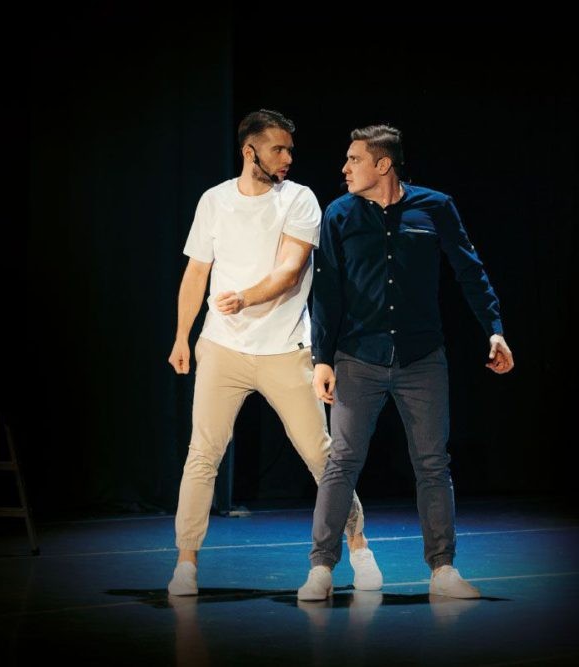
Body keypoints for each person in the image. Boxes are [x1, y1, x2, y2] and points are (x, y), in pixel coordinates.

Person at [166, 109, 382, 597]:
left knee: (322, 456)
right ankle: (185, 563)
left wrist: (244, 298)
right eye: (277, 149)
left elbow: (289, 271)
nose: (287, 157)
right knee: (202, 454)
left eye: (289, 149)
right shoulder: (214, 200)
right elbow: (196, 273)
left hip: (285, 349)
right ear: (250, 151)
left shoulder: (299, 199)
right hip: (222, 347)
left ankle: (360, 547)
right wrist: (182, 336)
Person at [299, 124, 514, 601]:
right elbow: (327, 290)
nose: (345, 168)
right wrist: (322, 358)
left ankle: (443, 570)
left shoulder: (435, 207)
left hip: (422, 357)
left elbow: (469, 269)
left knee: (433, 463)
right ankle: (321, 569)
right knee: (342, 462)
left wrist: (494, 328)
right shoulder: (339, 213)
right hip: (358, 356)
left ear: (383, 164)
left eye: (354, 159)